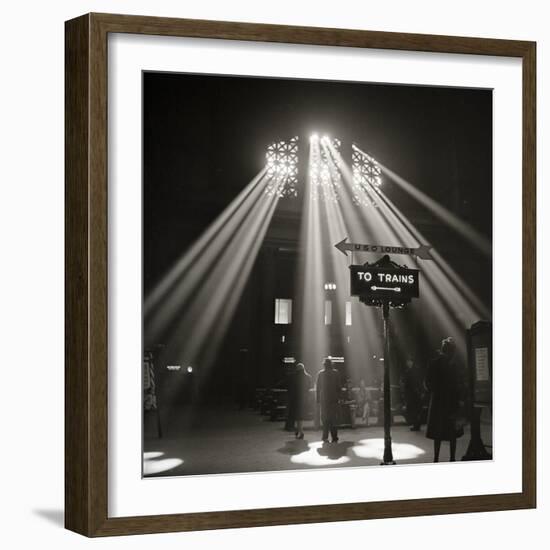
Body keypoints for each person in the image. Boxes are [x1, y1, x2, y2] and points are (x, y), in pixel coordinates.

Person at [425, 337, 464, 462]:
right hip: (451, 403)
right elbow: (458, 385)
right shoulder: (453, 365)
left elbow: (427, 383)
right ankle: (452, 458)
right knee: (452, 434)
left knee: (438, 433)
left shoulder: (433, 362)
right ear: (451, 352)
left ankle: (436, 458)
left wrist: (434, 392)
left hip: (437, 402)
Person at [316, 357, 342, 443]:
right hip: (334, 400)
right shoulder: (336, 373)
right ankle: (334, 437)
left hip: (324, 400)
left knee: (325, 419)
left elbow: (318, 388)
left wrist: (318, 400)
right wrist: (339, 397)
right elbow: (339, 387)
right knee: (333, 419)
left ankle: (325, 437)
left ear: (324, 365)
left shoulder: (320, 374)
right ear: (331, 364)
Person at [288, 363, 312, 439]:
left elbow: (290, 387)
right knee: (300, 416)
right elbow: (309, 387)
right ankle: (298, 430)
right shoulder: (308, 377)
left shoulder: (293, 376)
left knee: (297, 416)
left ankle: (300, 432)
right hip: (304, 398)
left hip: (295, 398)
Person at [401, 357, 423, 431]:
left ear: (411, 362)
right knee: (415, 410)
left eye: (409, 361)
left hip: (413, 394)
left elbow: (413, 383)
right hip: (414, 393)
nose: (408, 363)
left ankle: (416, 425)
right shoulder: (412, 370)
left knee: (414, 410)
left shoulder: (411, 371)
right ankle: (416, 424)